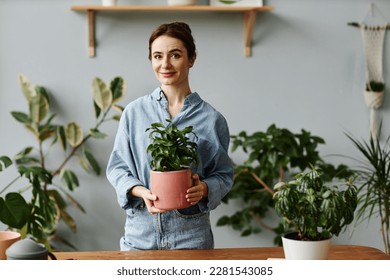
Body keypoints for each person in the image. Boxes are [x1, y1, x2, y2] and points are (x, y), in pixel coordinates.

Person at [106, 22, 233, 250]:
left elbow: (223, 175)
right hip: (140, 236)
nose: (165, 64)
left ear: (192, 59)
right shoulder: (134, 112)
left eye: (175, 55)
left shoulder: (212, 119)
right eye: (157, 56)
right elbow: (117, 168)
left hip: (192, 237)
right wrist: (140, 191)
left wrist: (204, 188)